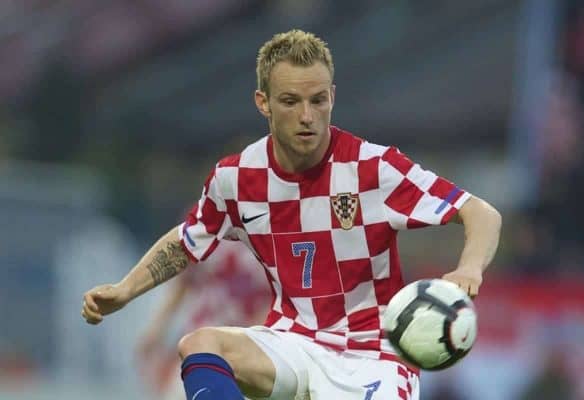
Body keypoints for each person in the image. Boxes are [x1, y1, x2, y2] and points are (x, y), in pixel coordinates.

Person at [81, 29, 502, 400]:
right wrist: (124, 290)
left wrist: (470, 268)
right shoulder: (237, 178)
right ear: (263, 103)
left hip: (373, 354)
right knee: (201, 344)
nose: (307, 116)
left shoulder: (373, 168)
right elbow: (187, 241)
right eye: (290, 101)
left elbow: (481, 213)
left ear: (332, 97)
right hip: (291, 343)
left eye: (318, 100)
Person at [136, 239, 269, 399]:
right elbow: (183, 280)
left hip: (244, 348)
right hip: (199, 338)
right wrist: (156, 330)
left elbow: (277, 301)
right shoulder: (209, 222)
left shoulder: (276, 235)